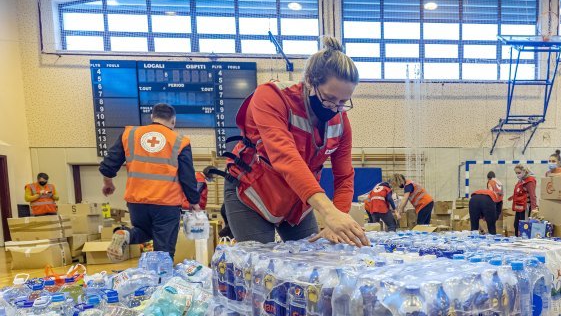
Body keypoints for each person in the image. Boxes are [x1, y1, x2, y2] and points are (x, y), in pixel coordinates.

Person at [222, 36, 368, 247]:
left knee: (310, 260)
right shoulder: (272, 97)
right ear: (309, 80)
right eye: (329, 98)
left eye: (343, 102)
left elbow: (344, 176)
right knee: (259, 264)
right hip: (253, 193)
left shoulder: (341, 122)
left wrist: (338, 217)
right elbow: (285, 157)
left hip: (297, 200)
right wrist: (328, 211)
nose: (335, 108)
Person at [99, 102, 201, 260]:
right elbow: (187, 176)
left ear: (152, 116)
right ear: (173, 121)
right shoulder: (180, 141)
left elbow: (109, 164)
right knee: (164, 248)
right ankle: (161, 282)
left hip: (136, 201)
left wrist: (108, 183)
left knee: (144, 232)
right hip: (166, 203)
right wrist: (194, 202)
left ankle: (126, 234)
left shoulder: (130, 134)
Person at [509, 165, 538, 236]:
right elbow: (521, 191)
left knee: (524, 225)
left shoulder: (530, 181)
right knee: (516, 225)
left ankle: (523, 241)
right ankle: (517, 239)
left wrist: (534, 209)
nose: (517, 175)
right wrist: (513, 197)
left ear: (524, 171)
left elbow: (532, 195)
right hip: (519, 207)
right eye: (516, 173)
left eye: (519, 172)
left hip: (526, 207)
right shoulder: (521, 180)